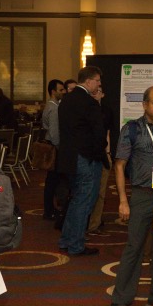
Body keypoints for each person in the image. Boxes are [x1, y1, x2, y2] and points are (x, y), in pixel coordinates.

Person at [110, 86, 153, 306]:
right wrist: (123, 200)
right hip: (141, 195)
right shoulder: (132, 129)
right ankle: (120, 300)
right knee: (134, 247)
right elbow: (119, 165)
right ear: (145, 104)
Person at [57, 66, 105, 256]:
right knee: (83, 201)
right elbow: (98, 133)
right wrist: (98, 153)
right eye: (98, 81)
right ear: (89, 81)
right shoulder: (89, 103)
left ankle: (66, 239)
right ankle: (76, 244)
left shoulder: (66, 100)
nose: (99, 84)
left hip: (68, 157)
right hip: (85, 157)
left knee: (76, 199)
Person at [88, 85, 114, 235]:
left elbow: (107, 134)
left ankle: (94, 223)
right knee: (86, 192)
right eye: (92, 91)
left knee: (100, 192)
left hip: (102, 155)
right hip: (87, 156)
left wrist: (108, 153)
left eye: (97, 91)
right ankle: (83, 223)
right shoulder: (85, 109)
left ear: (102, 94)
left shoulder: (106, 111)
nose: (94, 94)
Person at [41, 79, 65, 220]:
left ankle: (49, 209)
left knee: (51, 180)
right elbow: (55, 133)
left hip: (51, 145)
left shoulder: (51, 106)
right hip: (54, 148)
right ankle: (49, 210)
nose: (63, 92)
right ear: (53, 91)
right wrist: (60, 149)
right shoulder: (54, 108)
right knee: (52, 181)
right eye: (60, 90)